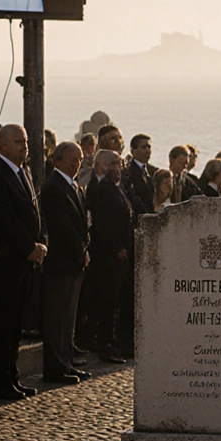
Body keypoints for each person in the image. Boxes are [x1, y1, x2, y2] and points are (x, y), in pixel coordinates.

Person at [0, 125, 45, 399]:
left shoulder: (23, 171)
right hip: (8, 260)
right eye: (18, 142)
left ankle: (11, 375)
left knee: (16, 322)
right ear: (2, 145)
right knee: (2, 323)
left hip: (24, 260)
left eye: (26, 141)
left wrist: (39, 243)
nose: (24, 146)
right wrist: (29, 246)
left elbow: (31, 212)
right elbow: (5, 219)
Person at [41, 142, 91, 385]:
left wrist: (84, 248)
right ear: (58, 159)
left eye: (80, 159)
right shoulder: (53, 186)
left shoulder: (75, 186)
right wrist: (80, 249)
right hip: (61, 260)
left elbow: (82, 223)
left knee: (68, 317)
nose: (77, 164)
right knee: (57, 317)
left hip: (75, 260)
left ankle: (66, 362)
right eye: (73, 159)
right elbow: (62, 226)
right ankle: (55, 368)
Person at [84, 150, 132, 363]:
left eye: (119, 163)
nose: (118, 168)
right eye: (114, 164)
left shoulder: (115, 186)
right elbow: (104, 223)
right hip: (107, 254)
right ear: (102, 166)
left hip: (117, 252)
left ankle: (109, 340)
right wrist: (118, 247)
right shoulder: (102, 188)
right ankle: (104, 343)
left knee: (114, 299)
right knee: (106, 299)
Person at [125, 134, 157, 215]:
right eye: (143, 147)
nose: (147, 150)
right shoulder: (128, 171)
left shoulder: (153, 171)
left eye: (149, 147)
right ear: (133, 150)